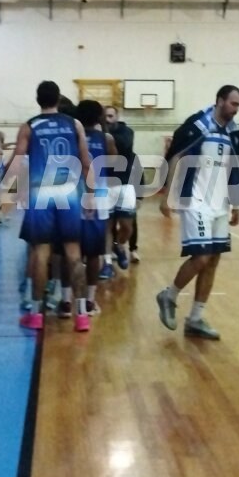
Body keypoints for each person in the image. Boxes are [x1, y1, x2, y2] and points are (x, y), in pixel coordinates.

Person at [155, 85, 239, 341]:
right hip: (195, 201)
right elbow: (176, 157)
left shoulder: (234, 133)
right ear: (220, 101)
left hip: (220, 204)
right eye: (233, 104)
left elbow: (234, 168)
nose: (236, 109)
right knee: (201, 256)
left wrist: (235, 204)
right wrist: (167, 195)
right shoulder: (198, 125)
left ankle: (196, 318)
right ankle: (169, 295)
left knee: (214, 259)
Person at [14, 81, 93, 332]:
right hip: (69, 191)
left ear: (38, 100)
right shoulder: (74, 124)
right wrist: (91, 194)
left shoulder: (29, 126)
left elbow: (16, 162)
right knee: (73, 252)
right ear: (58, 99)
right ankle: (82, 315)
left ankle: (36, 314)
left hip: (40, 191)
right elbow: (86, 162)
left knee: (41, 252)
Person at [74, 99, 116, 315]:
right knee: (93, 254)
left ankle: (67, 299)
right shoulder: (106, 138)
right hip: (97, 199)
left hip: (73, 197)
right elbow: (115, 163)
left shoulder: (72, 137)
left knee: (71, 252)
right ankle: (89, 301)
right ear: (99, 117)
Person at [105, 106, 141, 264]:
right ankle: (107, 259)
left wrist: (140, 195)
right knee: (107, 225)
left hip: (124, 184)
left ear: (117, 116)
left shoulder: (127, 132)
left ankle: (121, 245)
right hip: (104, 185)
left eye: (111, 116)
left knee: (128, 225)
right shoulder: (98, 132)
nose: (108, 119)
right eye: (105, 116)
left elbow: (123, 144)